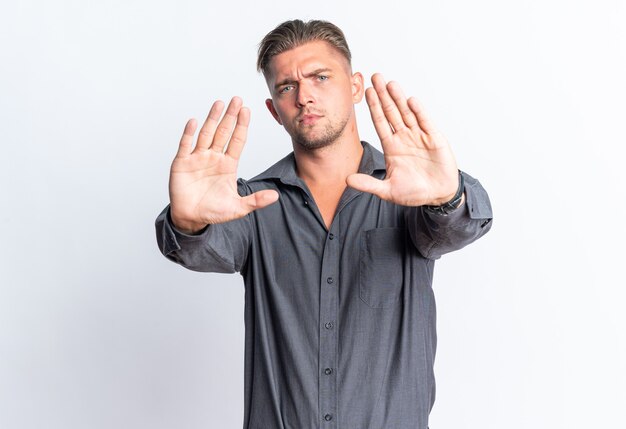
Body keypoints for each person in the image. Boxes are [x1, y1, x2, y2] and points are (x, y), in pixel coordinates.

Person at [155, 19, 492, 429]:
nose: (305, 96)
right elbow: (199, 247)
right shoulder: (251, 204)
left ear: (353, 87)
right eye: (286, 87)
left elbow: (458, 224)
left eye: (320, 76)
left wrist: (447, 196)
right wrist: (187, 221)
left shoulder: (409, 192)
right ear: (274, 111)